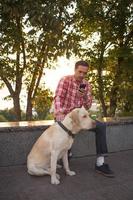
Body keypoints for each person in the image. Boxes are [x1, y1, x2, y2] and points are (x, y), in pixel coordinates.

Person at [53, 60, 114, 177]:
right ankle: (66, 154)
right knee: (66, 137)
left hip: (80, 118)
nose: (82, 75)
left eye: (84, 73)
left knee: (101, 126)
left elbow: (87, 106)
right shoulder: (65, 80)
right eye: (80, 72)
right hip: (66, 117)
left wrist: (85, 96)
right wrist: (59, 112)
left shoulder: (85, 85)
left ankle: (100, 164)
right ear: (75, 70)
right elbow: (58, 98)